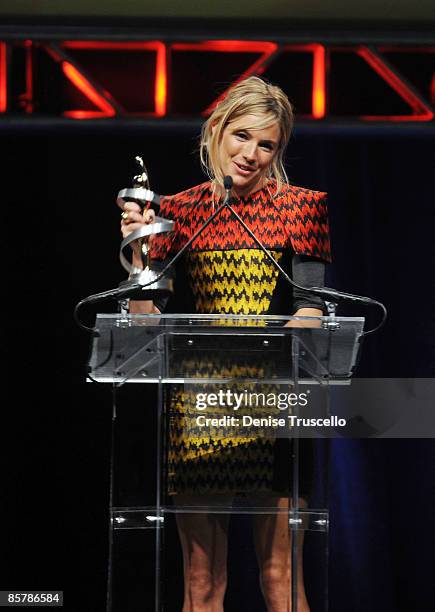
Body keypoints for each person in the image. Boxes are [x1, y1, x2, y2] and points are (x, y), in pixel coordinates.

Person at [119, 76, 331, 612]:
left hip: (273, 402)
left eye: (267, 145)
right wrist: (139, 258)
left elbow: (310, 307)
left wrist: (271, 353)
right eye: (241, 137)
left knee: (281, 577)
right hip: (201, 406)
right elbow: (146, 321)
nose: (251, 154)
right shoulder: (181, 210)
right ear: (216, 131)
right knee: (202, 582)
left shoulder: (302, 208)